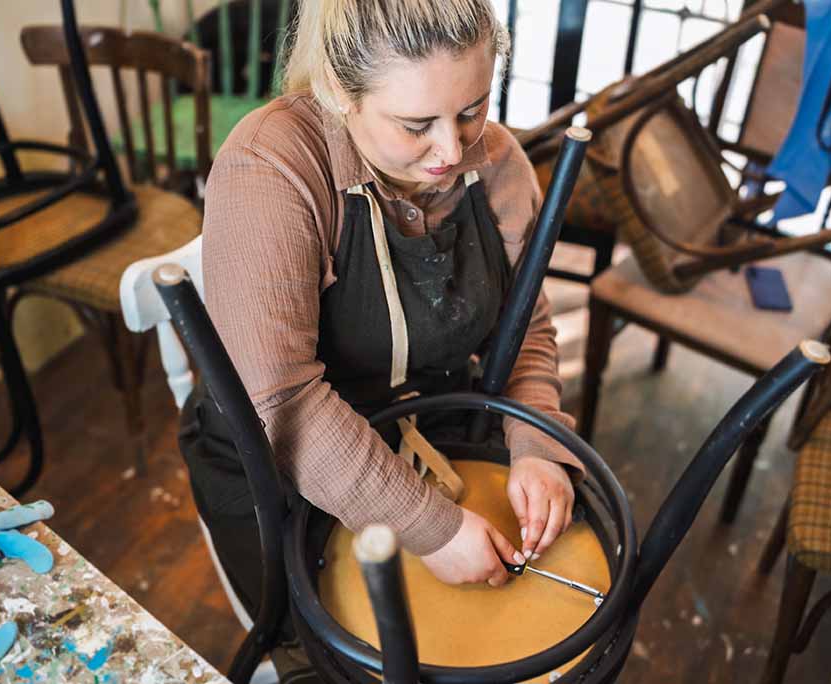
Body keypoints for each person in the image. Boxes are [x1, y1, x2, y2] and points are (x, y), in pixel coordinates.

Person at [179, 0, 585, 626]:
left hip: (430, 421)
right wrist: (429, 527)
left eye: (472, 109)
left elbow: (523, 323)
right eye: (416, 123)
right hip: (278, 464)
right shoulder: (272, 168)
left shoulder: (498, 164)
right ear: (341, 91)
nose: (452, 150)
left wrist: (535, 439)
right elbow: (281, 399)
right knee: (349, 652)